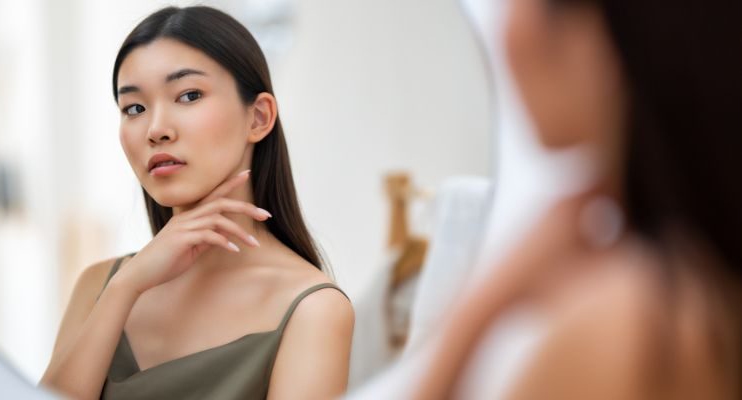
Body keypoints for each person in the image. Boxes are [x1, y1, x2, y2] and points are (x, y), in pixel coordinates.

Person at [415, 0, 741, 398]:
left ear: (594, 26)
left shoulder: (634, 333)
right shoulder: (693, 291)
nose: (505, 28)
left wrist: (470, 326)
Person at [38, 6, 354, 399]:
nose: (156, 130)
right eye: (134, 107)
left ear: (258, 118)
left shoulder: (313, 310)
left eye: (188, 95)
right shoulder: (101, 286)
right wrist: (127, 287)